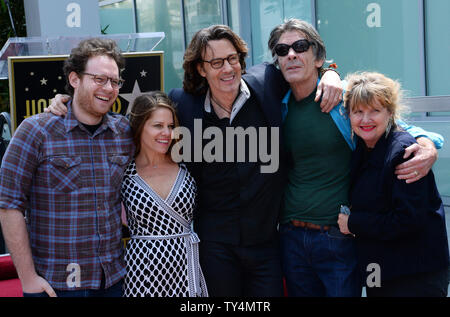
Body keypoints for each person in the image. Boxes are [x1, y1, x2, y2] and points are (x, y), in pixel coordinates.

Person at [47, 25, 343, 297]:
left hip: (266, 243)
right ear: (201, 69)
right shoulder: (183, 104)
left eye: (233, 59)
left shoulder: (266, 83)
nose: (227, 68)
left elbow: (301, 66)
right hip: (214, 247)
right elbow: (142, 123)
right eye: (216, 62)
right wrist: (69, 102)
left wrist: (331, 71)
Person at [269, 18, 443, 297]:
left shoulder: (343, 99)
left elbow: (391, 124)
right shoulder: (277, 106)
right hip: (291, 236)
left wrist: (429, 144)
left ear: (318, 57)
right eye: (282, 50)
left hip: (337, 237)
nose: (291, 54)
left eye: (300, 46)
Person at [0, 38, 134, 297]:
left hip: (115, 281)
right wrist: (27, 278)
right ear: (75, 79)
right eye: (99, 79)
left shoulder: (125, 132)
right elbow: (8, 204)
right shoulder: (36, 131)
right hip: (57, 286)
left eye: (114, 81)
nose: (109, 88)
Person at [338, 71, 449, 297]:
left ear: (390, 113)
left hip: (414, 276)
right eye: (358, 112)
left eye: (375, 111)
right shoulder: (362, 148)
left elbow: (407, 220)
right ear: (348, 115)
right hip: (380, 271)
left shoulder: (404, 152)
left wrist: (353, 223)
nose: (366, 119)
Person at [121, 91, 208, 297]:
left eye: (170, 126)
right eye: (158, 126)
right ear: (140, 126)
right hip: (142, 275)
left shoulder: (186, 163)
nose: (167, 133)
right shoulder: (123, 172)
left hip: (185, 270)